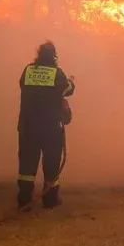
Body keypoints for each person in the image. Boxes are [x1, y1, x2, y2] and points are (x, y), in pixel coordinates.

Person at [17, 41, 75, 210]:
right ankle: (50, 200)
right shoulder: (56, 73)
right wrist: (71, 81)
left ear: (38, 54)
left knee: (27, 165)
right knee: (51, 162)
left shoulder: (28, 71)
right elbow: (67, 90)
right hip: (50, 128)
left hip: (28, 127)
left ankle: (24, 200)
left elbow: (23, 86)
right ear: (54, 56)